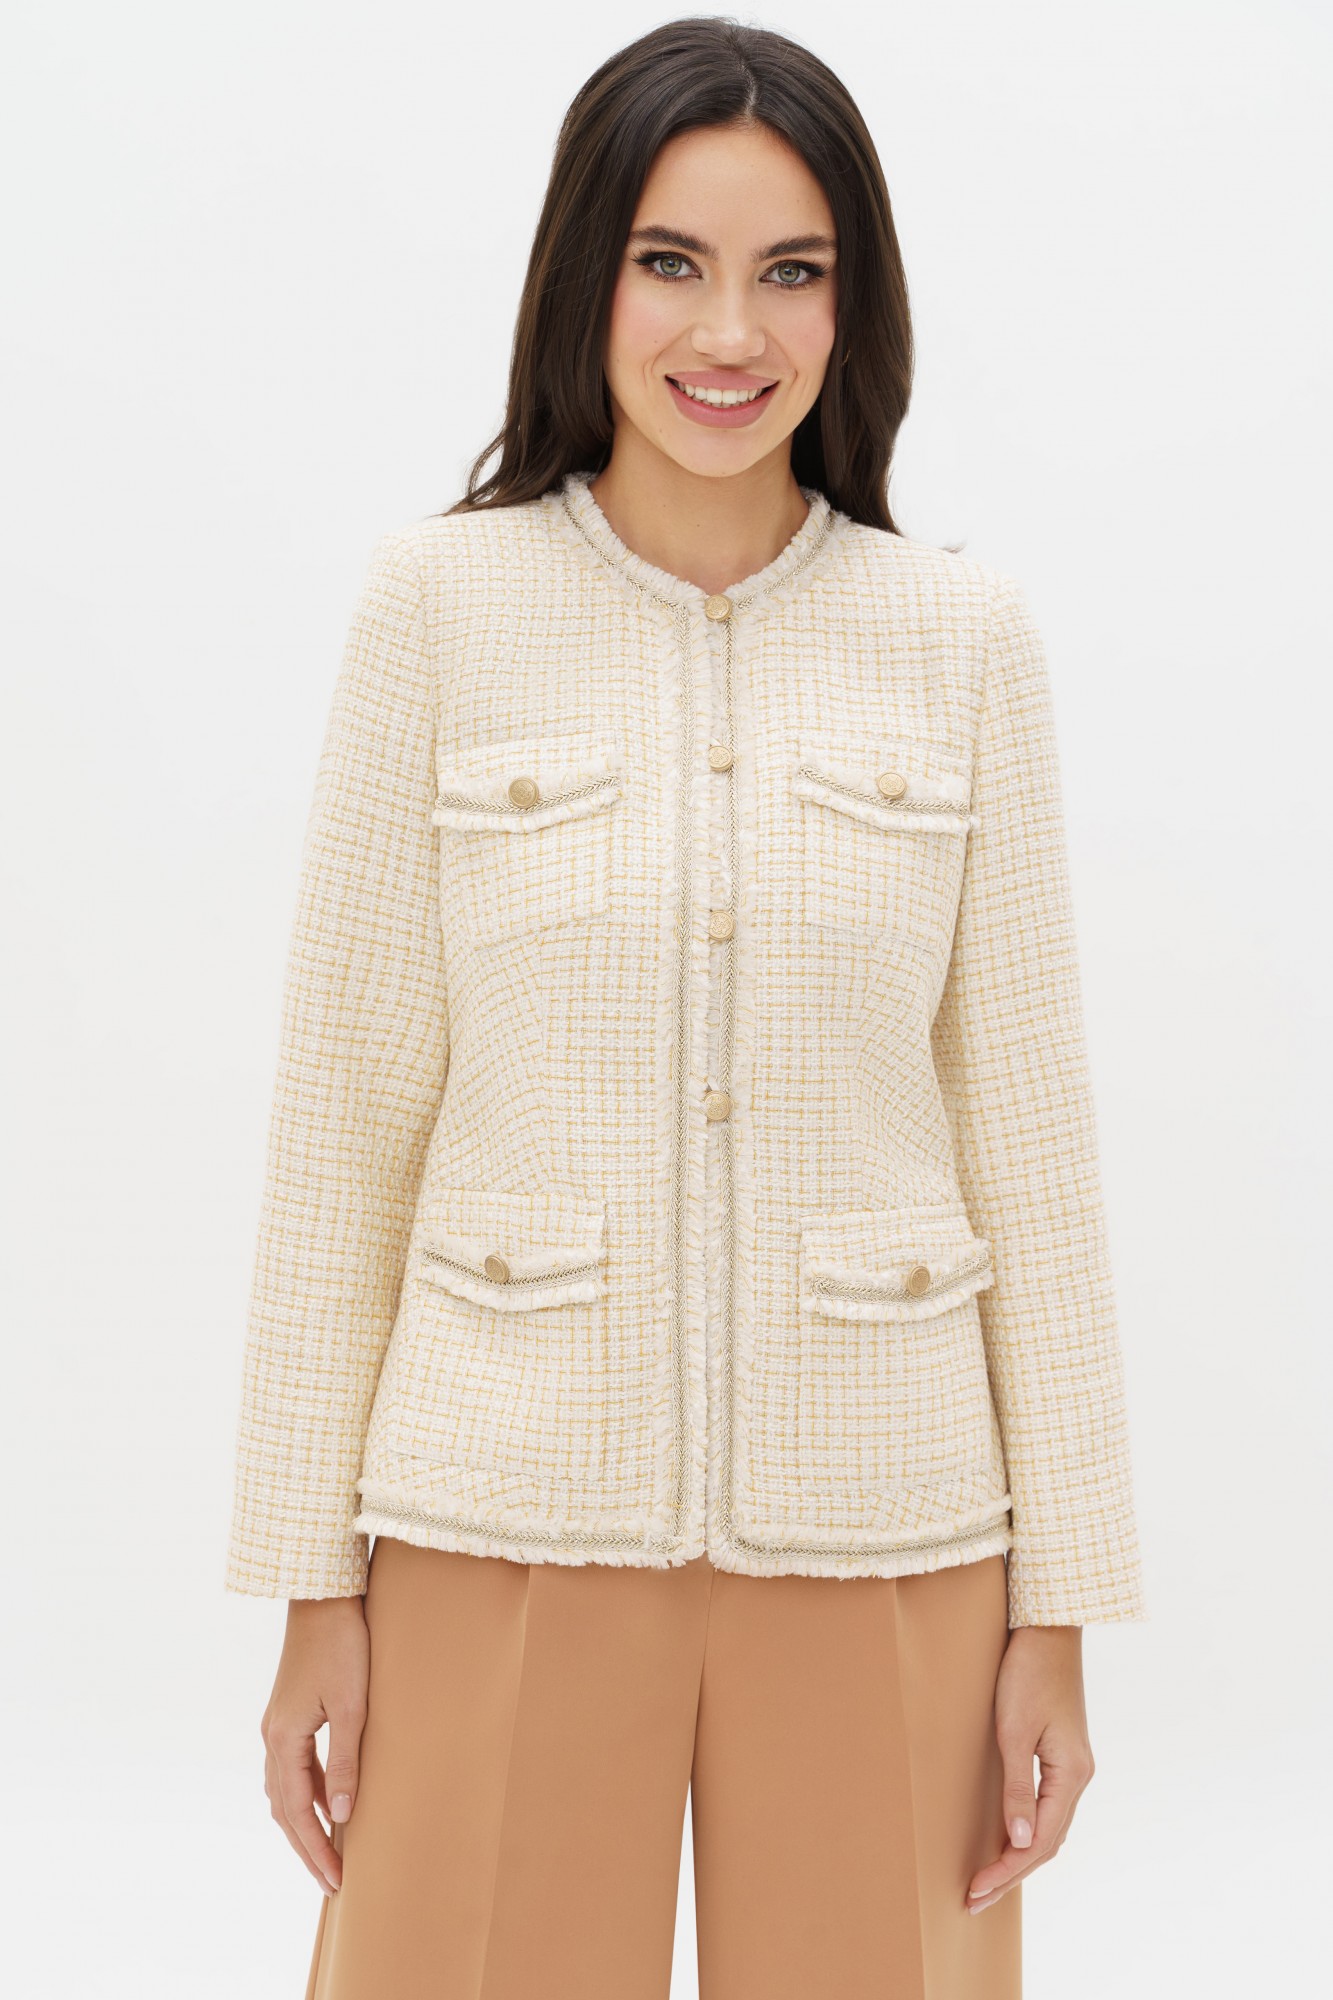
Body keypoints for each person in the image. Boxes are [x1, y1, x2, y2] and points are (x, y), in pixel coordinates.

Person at [224, 18, 1147, 1998]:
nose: (730, 331)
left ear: (852, 306)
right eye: (671, 261)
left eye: (790, 270)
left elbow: (1033, 1149)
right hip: (498, 1506)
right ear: (586, 276)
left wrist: (1058, 1610)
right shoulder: (437, 611)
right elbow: (343, 1123)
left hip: (887, 1518)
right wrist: (309, 1583)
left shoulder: (960, 641)